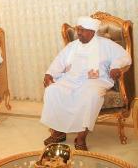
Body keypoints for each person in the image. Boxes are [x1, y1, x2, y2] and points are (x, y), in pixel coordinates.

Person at [40, 16, 131, 150]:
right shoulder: (72, 46)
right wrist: (50, 74)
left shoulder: (106, 44)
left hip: (96, 80)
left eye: (82, 30)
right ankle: (58, 132)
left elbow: (124, 56)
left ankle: (81, 137)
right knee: (53, 90)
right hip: (71, 78)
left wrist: (115, 67)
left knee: (90, 95)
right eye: (78, 29)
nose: (78, 33)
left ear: (92, 32)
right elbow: (59, 61)